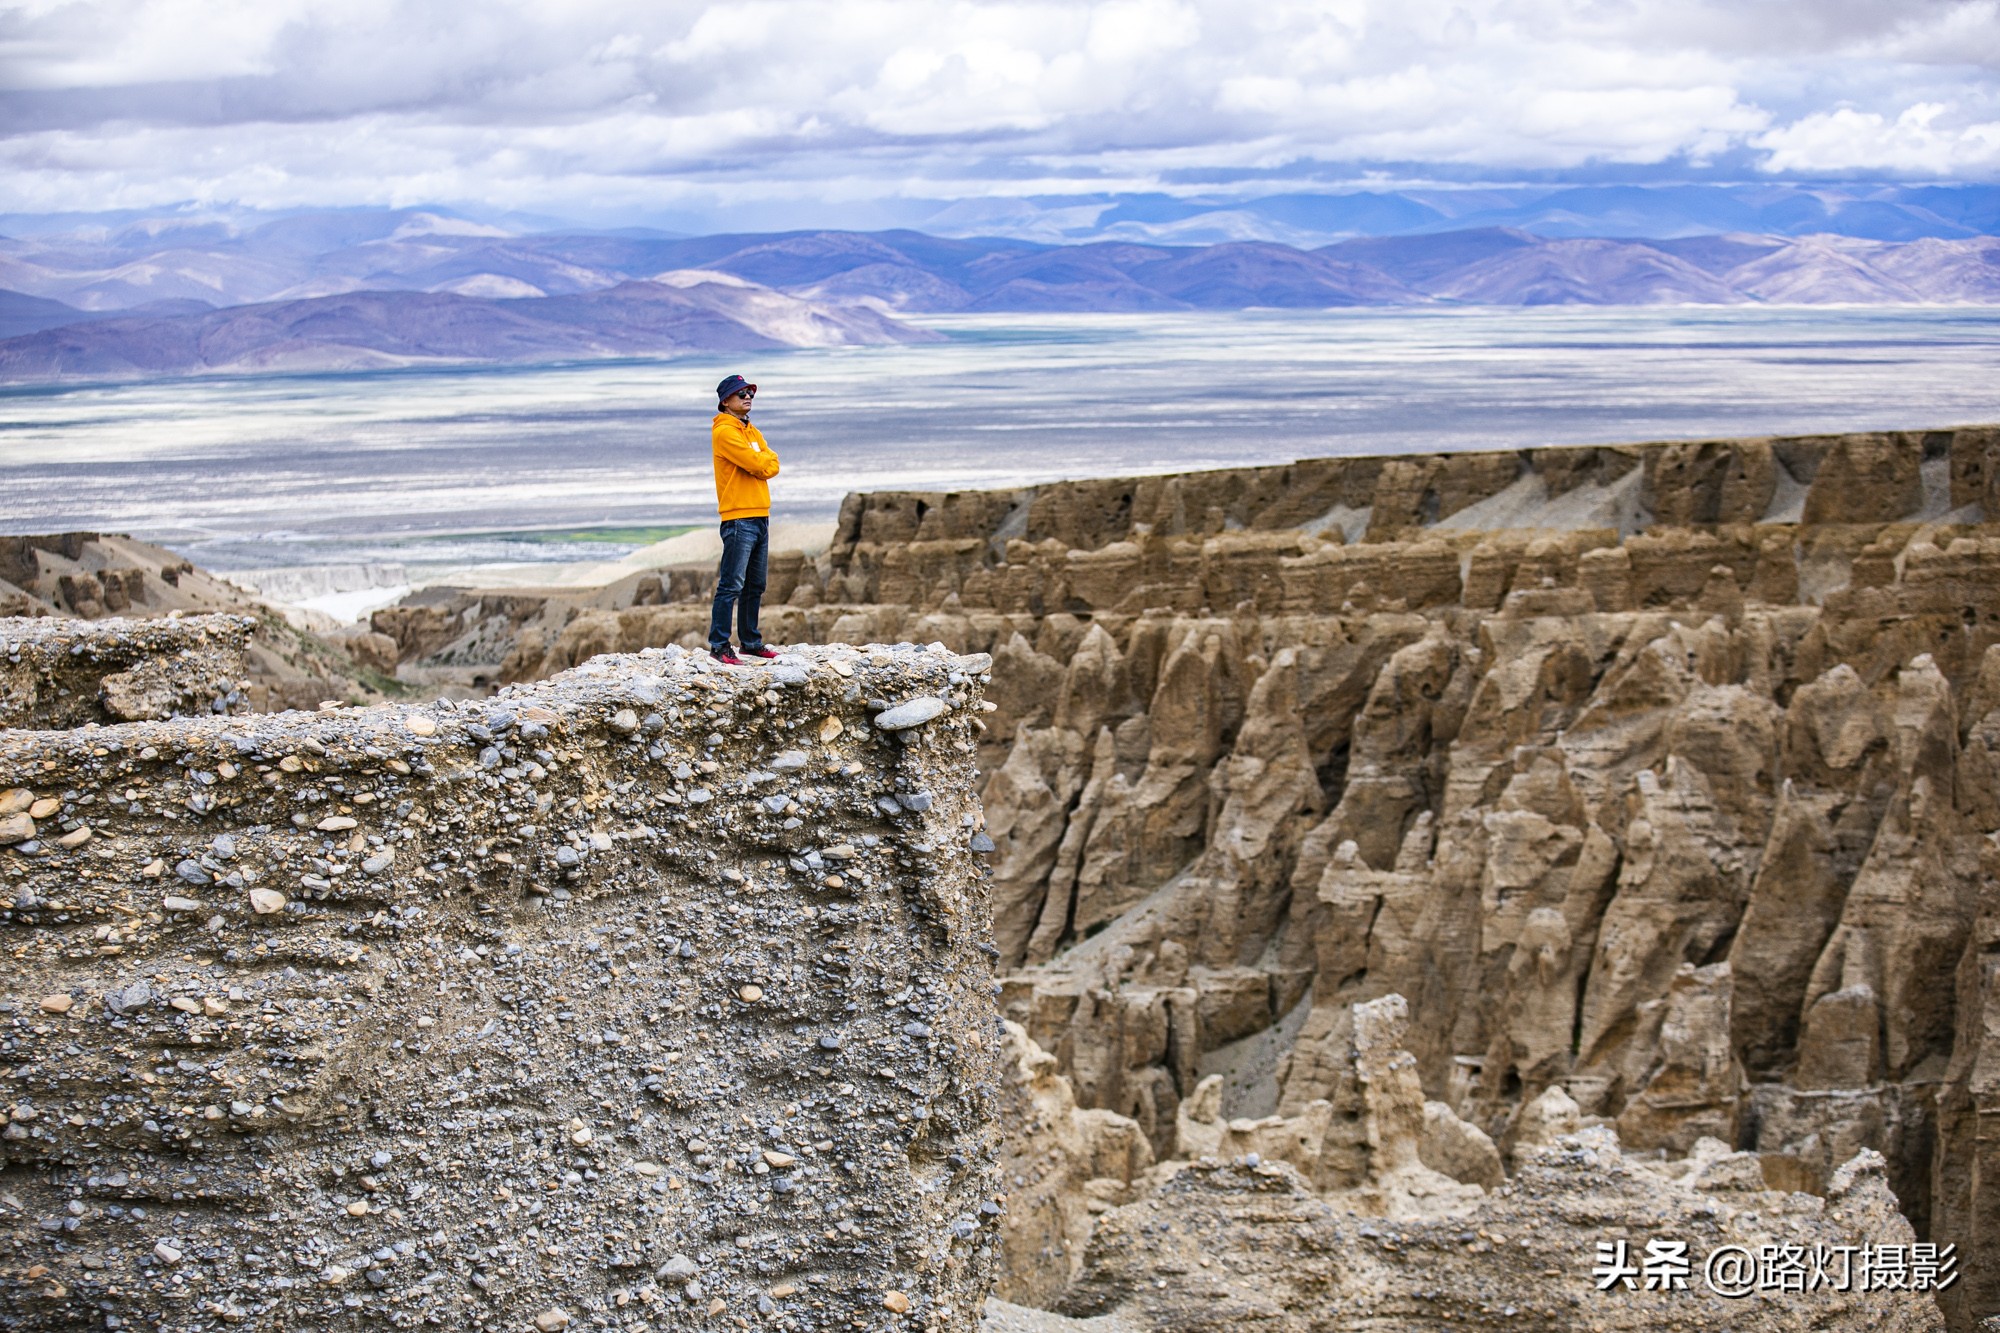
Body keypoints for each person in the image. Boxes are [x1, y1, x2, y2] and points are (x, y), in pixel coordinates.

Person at [708, 373, 781, 665]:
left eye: (750, 392)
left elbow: (772, 463)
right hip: (739, 517)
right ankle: (719, 645)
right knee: (731, 584)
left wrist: (762, 462)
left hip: (760, 514)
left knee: (755, 584)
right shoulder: (725, 432)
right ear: (725, 401)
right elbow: (757, 462)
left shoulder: (751, 431)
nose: (748, 396)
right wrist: (761, 462)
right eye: (741, 393)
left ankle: (750, 642)